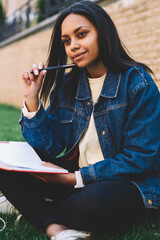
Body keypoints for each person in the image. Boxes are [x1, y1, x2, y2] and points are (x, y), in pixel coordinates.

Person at [0, 1, 160, 239]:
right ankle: (56, 228)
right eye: (66, 41)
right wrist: (32, 99)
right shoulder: (66, 85)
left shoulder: (138, 84)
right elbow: (50, 147)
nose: (73, 46)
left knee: (90, 204)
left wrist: (72, 179)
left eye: (81, 34)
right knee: (6, 168)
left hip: (125, 184)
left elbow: (138, 160)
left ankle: (38, 209)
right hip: (74, 179)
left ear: (103, 33)